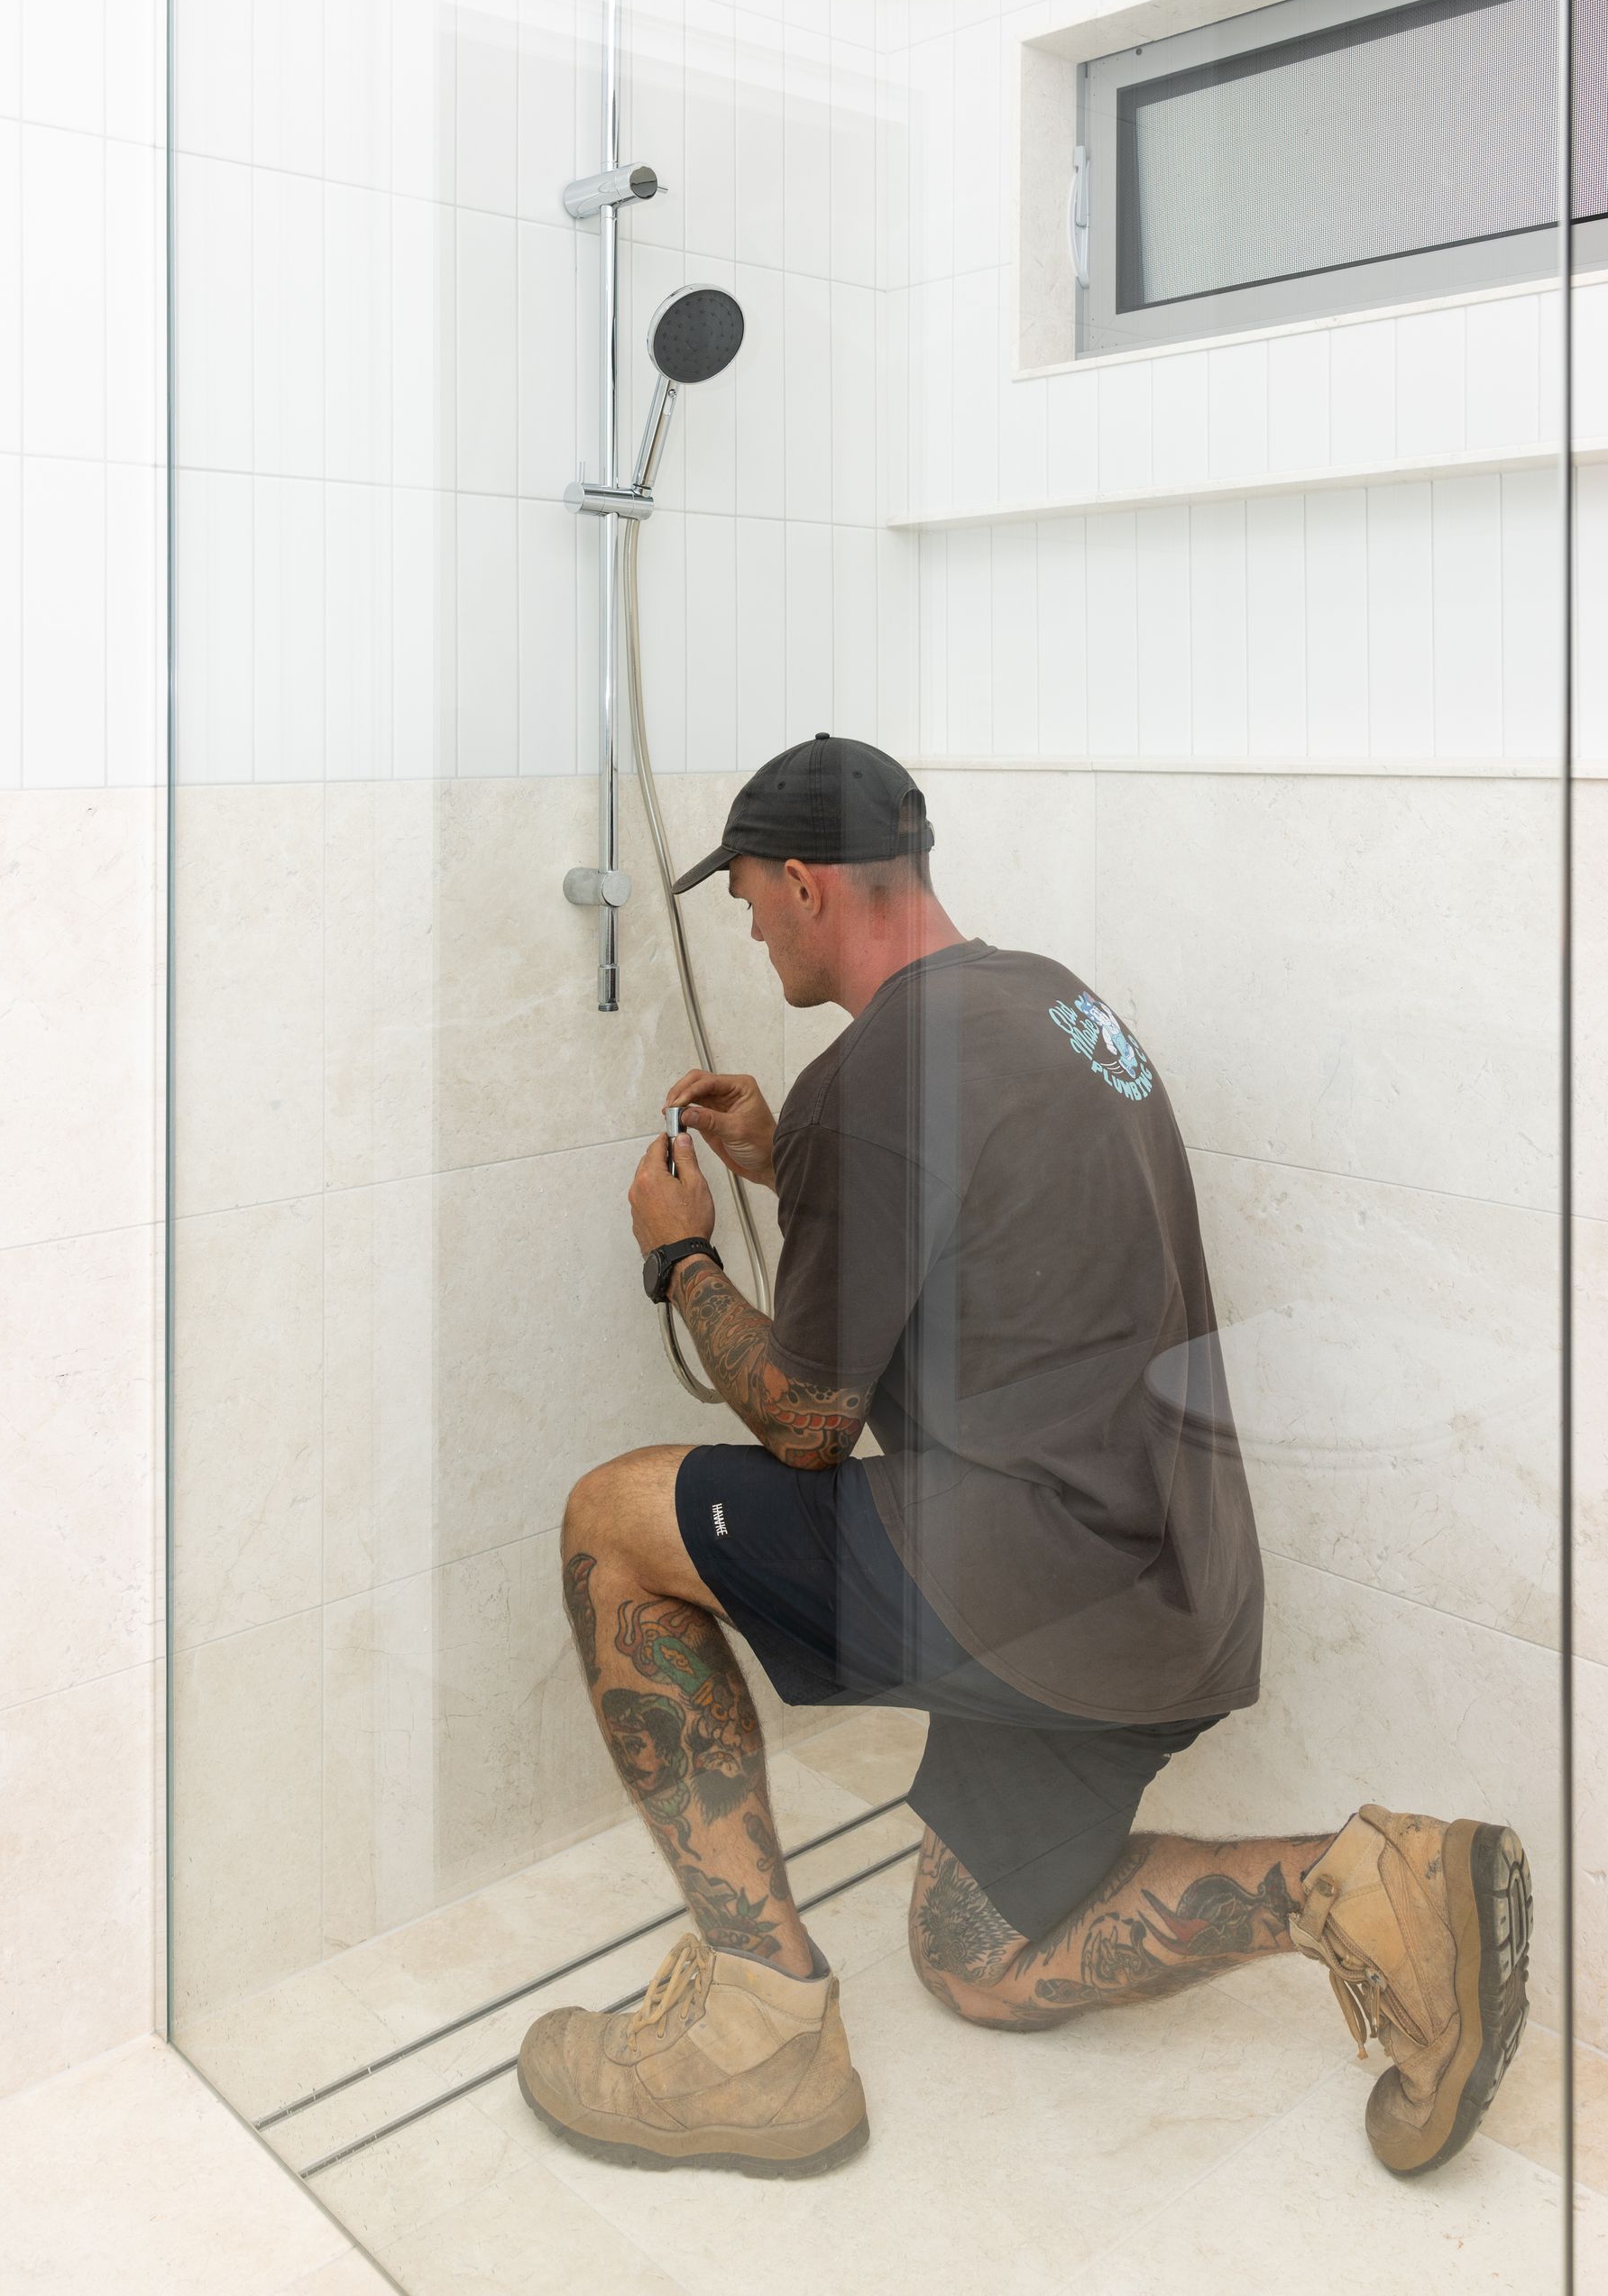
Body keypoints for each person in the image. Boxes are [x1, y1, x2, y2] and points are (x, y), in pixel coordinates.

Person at [518, 734, 1531, 2183]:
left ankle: (751, 2032)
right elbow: (971, 1200)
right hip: (1174, 1587)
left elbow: (806, 1421)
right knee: (976, 1952)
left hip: (1042, 1580)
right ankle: (1368, 1890)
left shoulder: (881, 1068)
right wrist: (788, 1152)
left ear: (808, 884)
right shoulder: (1050, 1002)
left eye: (748, 899)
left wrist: (681, 1257)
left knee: (610, 1520)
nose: (745, 930)